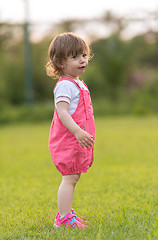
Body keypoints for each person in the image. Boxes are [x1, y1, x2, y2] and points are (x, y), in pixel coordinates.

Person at [46, 32, 95, 228]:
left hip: (77, 140)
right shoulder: (65, 86)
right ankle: (64, 218)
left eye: (83, 55)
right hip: (69, 140)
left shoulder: (77, 83)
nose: (82, 60)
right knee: (70, 178)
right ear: (59, 62)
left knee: (74, 177)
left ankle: (66, 213)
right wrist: (77, 131)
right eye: (74, 57)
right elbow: (62, 112)